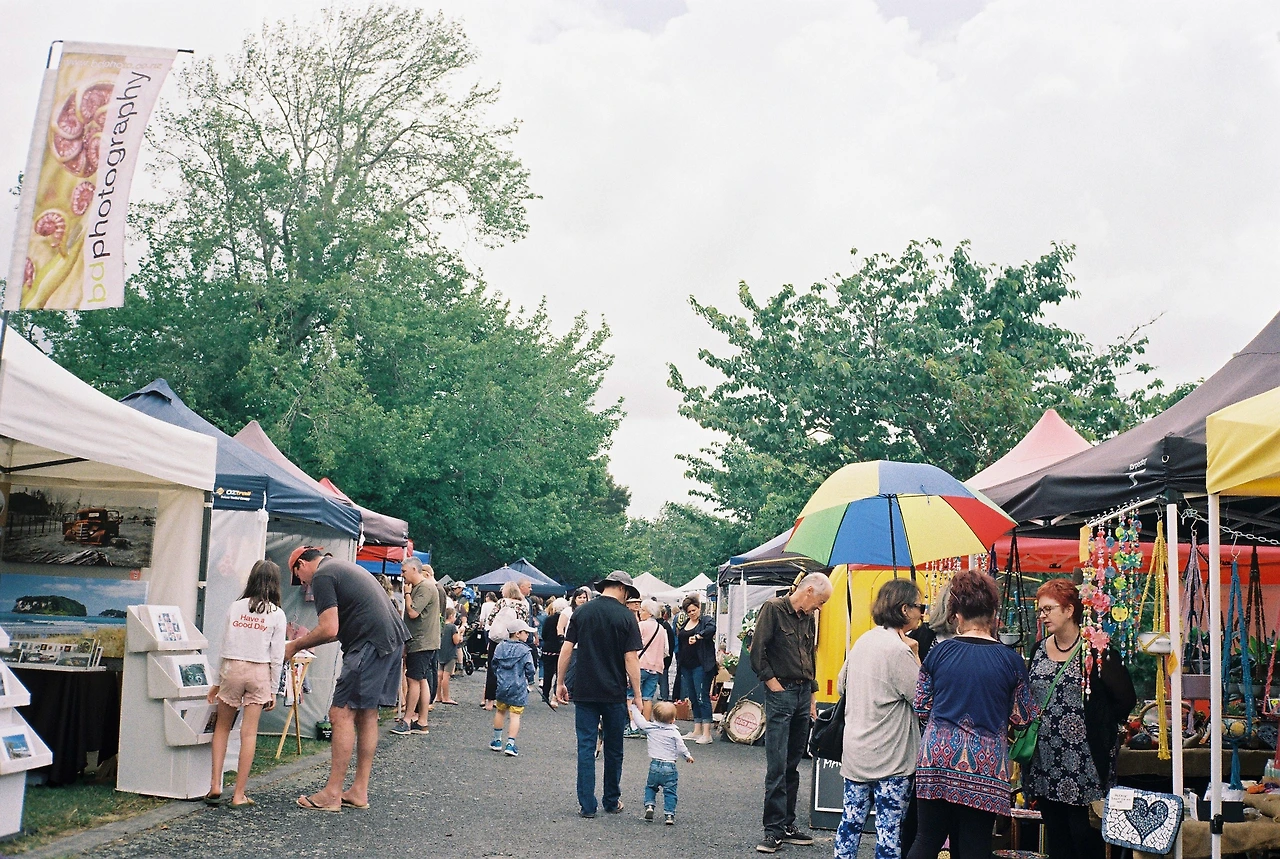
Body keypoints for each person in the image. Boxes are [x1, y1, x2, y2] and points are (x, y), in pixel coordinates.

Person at [907, 569, 1036, 859]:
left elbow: (922, 706)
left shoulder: (939, 653)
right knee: (974, 846)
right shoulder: (1011, 661)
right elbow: (1023, 717)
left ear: (957, 615)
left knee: (926, 839)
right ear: (992, 614)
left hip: (936, 757)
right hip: (986, 763)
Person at [286, 546, 410, 813]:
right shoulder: (341, 567)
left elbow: (329, 628)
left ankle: (332, 794)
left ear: (302, 565)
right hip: (392, 640)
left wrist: (294, 645)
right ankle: (358, 790)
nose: (303, 584)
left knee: (340, 713)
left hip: (369, 642)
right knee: (367, 713)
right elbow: (333, 632)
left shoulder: (323, 575)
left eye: (299, 578)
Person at [1025, 579, 1136, 859]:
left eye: (1049, 609)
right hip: (1046, 761)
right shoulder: (1038, 649)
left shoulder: (1097, 651)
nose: (1043, 616)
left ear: (1069, 609)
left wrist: (1100, 724)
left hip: (1084, 762)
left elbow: (1125, 698)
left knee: (1084, 835)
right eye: (1041, 610)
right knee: (1057, 836)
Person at [834, 579, 924, 859]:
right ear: (905, 609)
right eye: (921, 607)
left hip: (857, 752)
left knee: (850, 825)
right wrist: (917, 656)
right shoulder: (899, 651)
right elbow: (922, 698)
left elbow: (841, 685)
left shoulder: (864, 640)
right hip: (891, 757)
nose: (923, 613)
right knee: (888, 832)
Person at [751, 572, 833, 854]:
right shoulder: (773, 609)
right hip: (782, 691)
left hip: (800, 693)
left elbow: (809, 654)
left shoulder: (808, 617)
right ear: (809, 590)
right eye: (820, 600)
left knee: (792, 762)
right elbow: (756, 651)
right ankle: (772, 829)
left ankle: (785, 824)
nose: (820, 607)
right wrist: (774, 685)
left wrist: (811, 694)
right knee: (777, 763)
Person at [557, 571, 645, 818]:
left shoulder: (581, 612)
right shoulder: (627, 617)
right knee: (614, 748)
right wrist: (637, 694)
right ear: (621, 588)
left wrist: (560, 682)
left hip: (585, 690)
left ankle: (587, 805)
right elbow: (631, 658)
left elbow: (567, 649)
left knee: (586, 747)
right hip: (614, 691)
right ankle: (611, 800)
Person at [206, 559, 286, 808]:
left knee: (222, 727)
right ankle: (239, 794)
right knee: (248, 733)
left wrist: (218, 681)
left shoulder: (235, 607)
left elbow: (224, 644)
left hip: (232, 667)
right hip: (259, 671)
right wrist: (273, 689)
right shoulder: (277, 614)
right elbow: (277, 655)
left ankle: (215, 785)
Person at [392, 557, 439, 735]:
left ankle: (407, 720)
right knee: (421, 679)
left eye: (404, 571)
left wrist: (406, 593)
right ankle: (422, 721)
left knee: (413, 680)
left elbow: (412, 613)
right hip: (420, 640)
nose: (402, 575)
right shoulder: (423, 587)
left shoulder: (424, 588)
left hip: (421, 641)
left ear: (414, 569)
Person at [628, 700, 694, 825]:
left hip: (654, 765)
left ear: (654, 716)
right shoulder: (674, 732)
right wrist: (687, 756)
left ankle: (649, 806)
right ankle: (669, 814)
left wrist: (634, 708)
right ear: (673, 719)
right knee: (670, 792)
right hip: (669, 766)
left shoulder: (650, 728)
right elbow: (681, 747)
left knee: (651, 787)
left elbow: (640, 721)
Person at [490, 618, 538, 757]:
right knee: (515, 715)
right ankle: (510, 744)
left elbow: (494, 664)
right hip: (518, 687)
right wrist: (530, 681)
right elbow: (530, 669)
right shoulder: (524, 650)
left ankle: (497, 740)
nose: (528, 635)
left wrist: (499, 676)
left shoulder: (500, 647)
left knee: (500, 711)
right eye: (526, 633)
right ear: (517, 633)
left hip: (502, 685)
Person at [676, 595, 717, 744]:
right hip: (687, 665)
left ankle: (707, 733)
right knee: (693, 697)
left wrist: (698, 636)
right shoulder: (685, 623)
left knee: (702, 697)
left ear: (699, 608)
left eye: (694, 610)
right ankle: (697, 729)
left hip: (701, 665)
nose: (692, 613)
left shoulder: (706, 621)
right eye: (689, 611)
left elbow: (712, 629)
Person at [636, 600, 669, 722]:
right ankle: (645, 723)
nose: (640, 612)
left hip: (640, 664)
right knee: (648, 697)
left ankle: (633, 724)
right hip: (656, 667)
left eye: (643, 610)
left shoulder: (641, 626)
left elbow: (634, 644)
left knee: (631, 696)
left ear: (650, 613)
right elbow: (666, 650)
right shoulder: (661, 628)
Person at [541, 598, 568, 709]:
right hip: (561, 649)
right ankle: (556, 694)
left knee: (547, 673)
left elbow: (544, 634)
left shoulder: (549, 619)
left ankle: (545, 694)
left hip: (548, 648)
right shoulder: (566, 620)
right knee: (560, 673)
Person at [437, 606, 462, 705]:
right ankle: (446, 697)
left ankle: (438, 696)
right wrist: (459, 634)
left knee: (439, 675)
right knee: (446, 676)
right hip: (450, 654)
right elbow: (456, 641)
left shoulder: (441, 626)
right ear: (451, 616)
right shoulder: (452, 627)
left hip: (441, 652)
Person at [657, 605, 676, 701]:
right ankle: (664, 695)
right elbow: (671, 642)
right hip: (666, 656)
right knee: (663, 675)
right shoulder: (666, 625)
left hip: (661, 656)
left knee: (662, 676)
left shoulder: (661, 626)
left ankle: (664, 695)